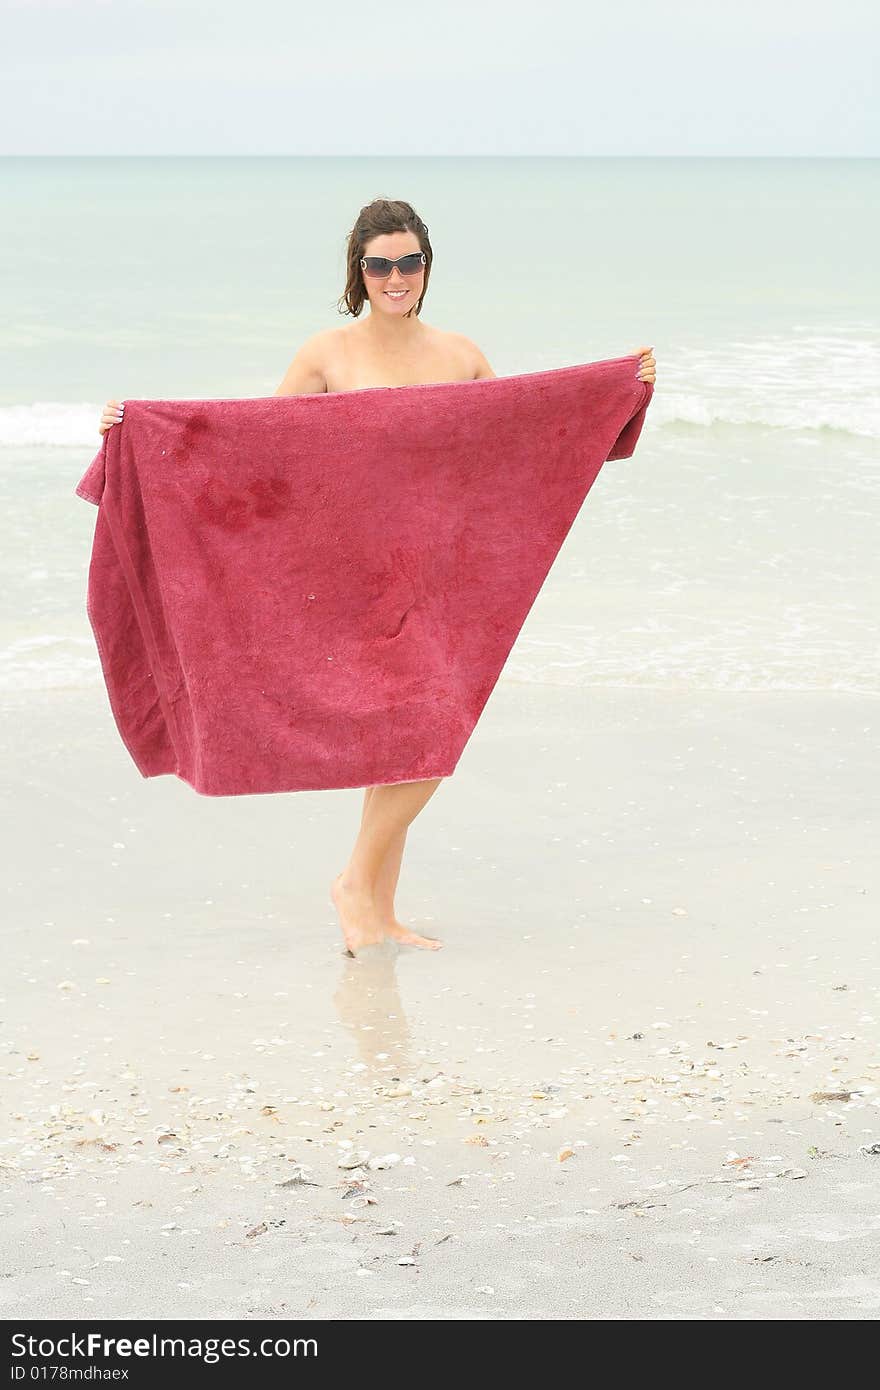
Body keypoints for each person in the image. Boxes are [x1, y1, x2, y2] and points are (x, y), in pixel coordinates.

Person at [98, 197, 657, 958]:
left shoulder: (461, 356)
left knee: (417, 735)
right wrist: (139, 435)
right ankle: (359, 889)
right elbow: (258, 452)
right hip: (352, 579)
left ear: (428, 268)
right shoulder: (328, 353)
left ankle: (377, 907)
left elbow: (521, 439)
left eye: (410, 262)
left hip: (435, 581)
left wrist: (618, 384)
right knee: (418, 732)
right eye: (381, 264)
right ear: (359, 273)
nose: (397, 277)